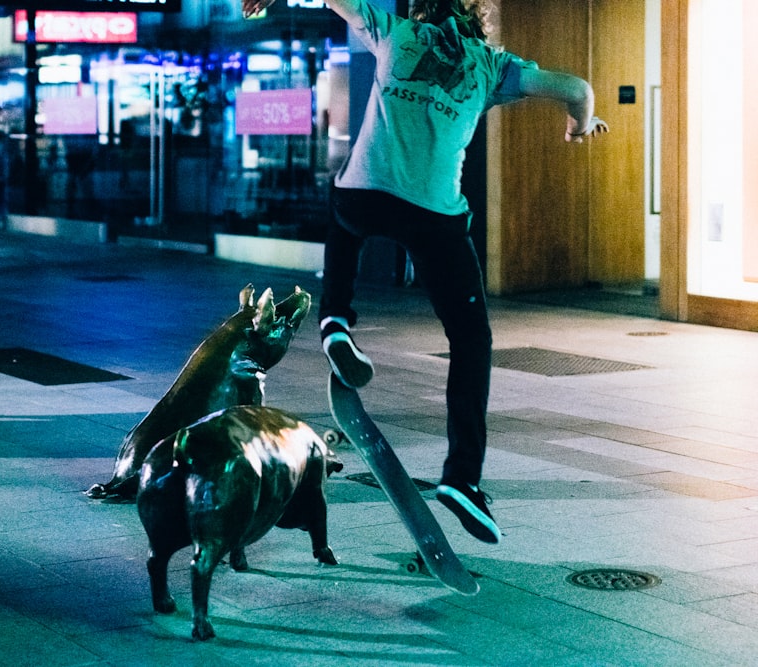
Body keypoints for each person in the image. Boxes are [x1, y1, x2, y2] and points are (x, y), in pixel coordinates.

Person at [243, 0, 608, 544]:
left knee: (343, 200)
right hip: (434, 215)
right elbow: (577, 88)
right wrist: (582, 125)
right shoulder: (493, 66)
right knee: (471, 340)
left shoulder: (396, 33)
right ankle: (462, 478)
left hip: (365, 198)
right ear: (478, 17)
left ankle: (336, 321)